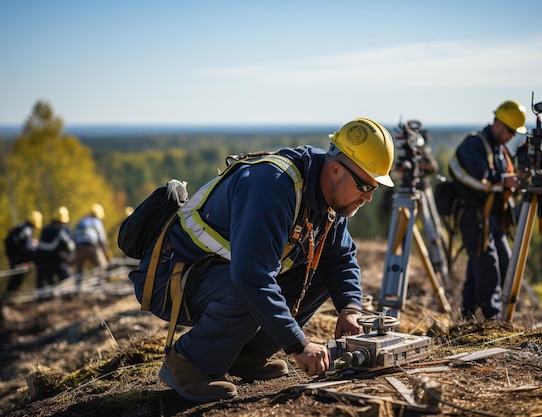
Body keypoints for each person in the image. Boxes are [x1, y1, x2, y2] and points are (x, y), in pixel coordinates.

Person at [128, 118, 395, 402]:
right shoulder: (273, 188)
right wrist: (299, 345)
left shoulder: (326, 198)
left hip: (212, 275)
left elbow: (341, 259)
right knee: (249, 286)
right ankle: (189, 363)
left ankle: (246, 355)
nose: (368, 198)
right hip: (172, 280)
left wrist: (350, 309)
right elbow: (251, 277)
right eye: (365, 186)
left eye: (374, 188)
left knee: (316, 272)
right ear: (336, 169)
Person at [448, 100, 526, 320]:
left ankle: (468, 316)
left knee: (498, 261)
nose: (513, 136)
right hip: (473, 215)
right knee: (487, 264)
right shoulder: (475, 144)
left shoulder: (499, 150)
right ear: (499, 125)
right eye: (511, 130)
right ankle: (491, 319)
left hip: (491, 216)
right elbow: (476, 178)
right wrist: (504, 180)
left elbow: (500, 183)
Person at [34, 206, 76, 291]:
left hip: (41, 260)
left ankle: (44, 296)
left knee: (46, 281)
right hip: (55, 260)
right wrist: (69, 258)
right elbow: (71, 246)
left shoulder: (45, 229)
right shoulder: (61, 230)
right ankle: (68, 294)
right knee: (66, 277)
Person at [3, 210, 42, 294]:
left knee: (17, 277)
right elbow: (26, 246)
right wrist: (35, 245)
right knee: (17, 277)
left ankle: (9, 297)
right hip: (17, 257)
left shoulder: (22, 227)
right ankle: (7, 298)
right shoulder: (27, 229)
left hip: (13, 255)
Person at [73, 203, 109, 286]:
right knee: (103, 264)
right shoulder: (96, 221)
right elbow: (101, 237)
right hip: (91, 246)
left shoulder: (81, 221)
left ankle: (77, 288)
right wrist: (105, 249)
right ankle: (100, 285)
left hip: (78, 247)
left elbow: (74, 234)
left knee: (79, 269)